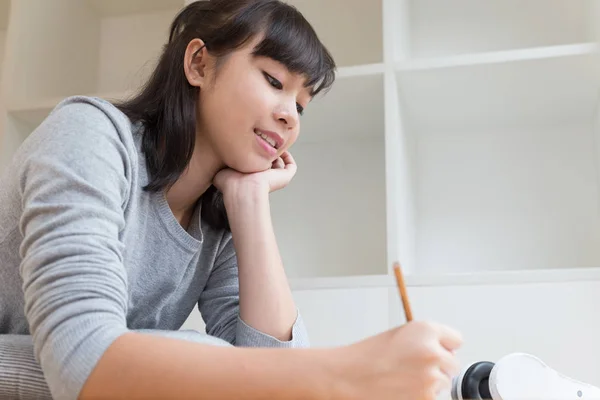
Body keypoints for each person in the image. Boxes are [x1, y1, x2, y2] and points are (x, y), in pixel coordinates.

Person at [0, 0, 463, 399]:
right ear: (199, 63)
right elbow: (81, 365)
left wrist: (250, 201)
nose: (289, 117)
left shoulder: (214, 214)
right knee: (202, 353)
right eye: (274, 81)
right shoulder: (90, 136)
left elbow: (272, 369)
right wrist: (349, 372)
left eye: (301, 105)